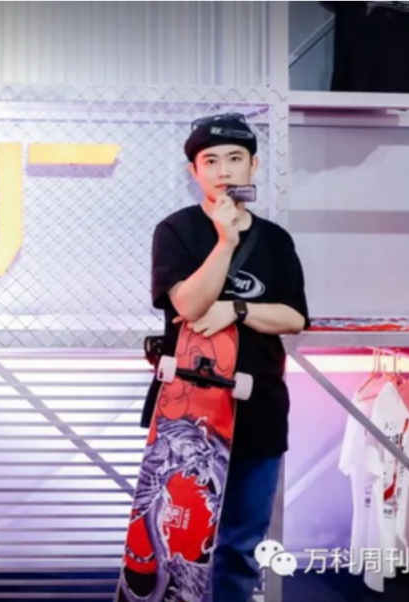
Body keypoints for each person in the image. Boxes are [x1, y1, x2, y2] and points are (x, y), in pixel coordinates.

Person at [141, 113, 311, 602]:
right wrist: (226, 240)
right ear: (193, 171)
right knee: (178, 540)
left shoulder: (276, 239)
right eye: (210, 161)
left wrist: (237, 309)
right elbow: (189, 305)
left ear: (253, 166)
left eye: (235, 159)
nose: (223, 170)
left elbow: (294, 317)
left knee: (241, 543)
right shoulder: (176, 230)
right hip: (187, 415)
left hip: (259, 407)